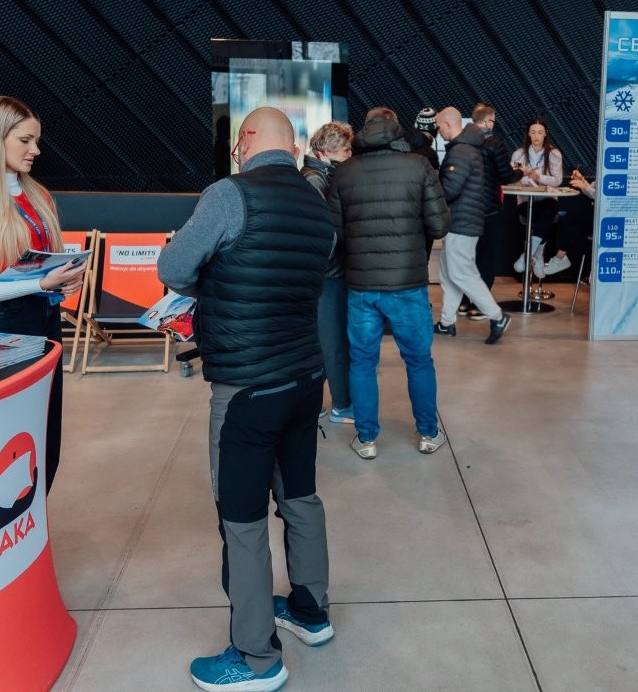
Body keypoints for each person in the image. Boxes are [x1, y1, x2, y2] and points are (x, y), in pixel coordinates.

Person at [159, 107, 336, 692]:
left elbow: (173, 265)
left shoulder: (229, 194)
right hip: (304, 378)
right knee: (301, 498)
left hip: (245, 388)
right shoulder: (318, 203)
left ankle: (256, 657)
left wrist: (208, 286)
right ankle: (311, 612)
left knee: (241, 519)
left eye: (238, 143)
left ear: (246, 142)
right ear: (295, 148)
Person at [0, 95, 86, 495]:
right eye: (25, 141)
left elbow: (39, 266)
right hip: (0, 328)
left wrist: (61, 280)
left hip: (44, 319)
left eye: (36, 141)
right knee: (6, 437)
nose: (35, 150)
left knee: (44, 432)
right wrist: (41, 284)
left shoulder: (38, 194)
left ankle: (33, 519)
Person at [326, 108, 451, 460]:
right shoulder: (419, 166)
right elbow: (440, 225)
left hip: (361, 285)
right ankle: (428, 434)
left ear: (364, 130)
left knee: (362, 361)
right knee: (419, 360)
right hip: (408, 282)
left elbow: (335, 234)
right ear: (397, 130)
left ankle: (366, 438)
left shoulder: (345, 172)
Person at [431, 107, 512, 344]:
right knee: (449, 275)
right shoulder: (465, 148)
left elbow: (450, 189)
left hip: (462, 222)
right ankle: (447, 323)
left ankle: (497, 317)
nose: (438, 131)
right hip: (461, 220)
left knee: (462, 274)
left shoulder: (461, 151)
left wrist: (429, 191)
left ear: (448, 124)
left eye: (439, 126)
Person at [302, 121, 355, 424]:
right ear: (325, 152)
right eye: (346, 149)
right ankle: (342, 405)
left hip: (324, 273)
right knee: (333, 341)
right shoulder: (315, 180)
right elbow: (325, 234)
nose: (350, 155)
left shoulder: (320, 175)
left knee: (323, 341)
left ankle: (314, 403)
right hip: (327, 274)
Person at [458, 102, 520, 320]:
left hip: (465, 209)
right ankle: (479, 306)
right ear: (488, 121)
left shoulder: (462, 141)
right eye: (493, 120)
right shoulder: (494, 144)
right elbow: (506, 175)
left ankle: (464, 303)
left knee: (467, 257)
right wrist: (520, 172)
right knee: (486, 257)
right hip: (488, 209)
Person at [509, 117, 568, 277]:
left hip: (548, 201)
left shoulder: (554, 154)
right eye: (533, 132)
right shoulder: (519, 154)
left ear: (545, 134)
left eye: (540, 132)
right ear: (528, 134)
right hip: (526, 202)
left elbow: (557, 180)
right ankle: (538, 254)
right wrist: (526, 178)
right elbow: (513, 178)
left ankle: (526, 256)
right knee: (543, 218)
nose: (536, 136)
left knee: (547, 210)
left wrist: (538, 177)